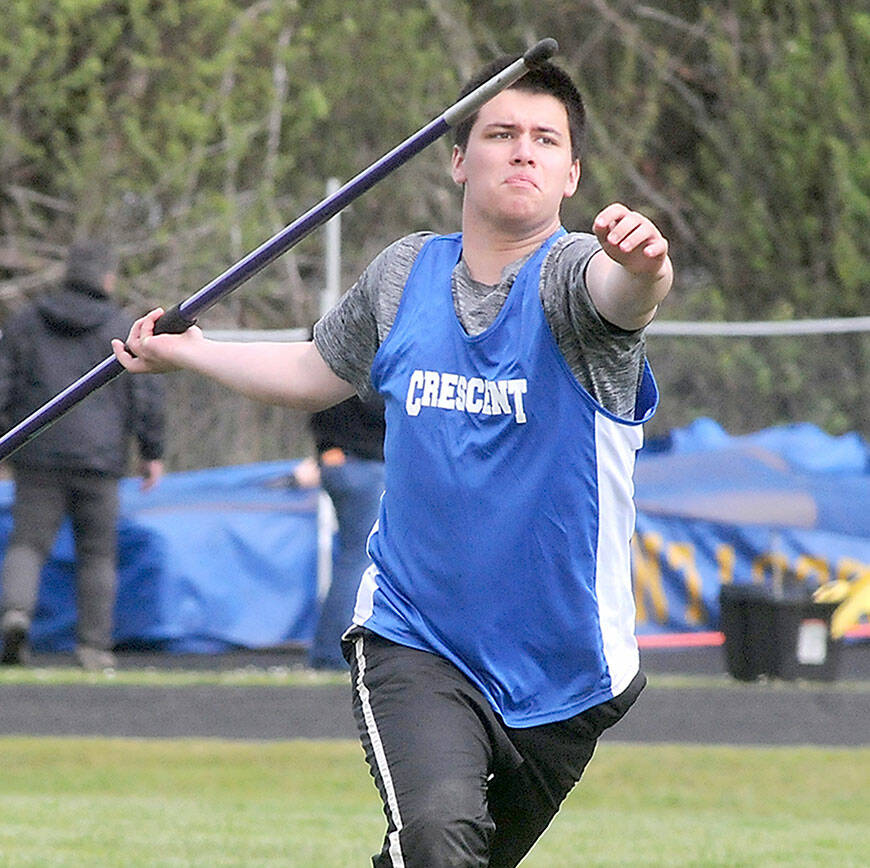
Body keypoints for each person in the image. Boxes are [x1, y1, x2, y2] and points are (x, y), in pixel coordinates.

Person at [112, 54, 672, 867]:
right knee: (439, 839)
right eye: (501, 133)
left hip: (563, 669)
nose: (523, 151)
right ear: (457, 157)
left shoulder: (576, 279)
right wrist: (194, 354)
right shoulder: (403, 273)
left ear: (572, 173)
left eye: (545, 140)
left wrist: (646, 268)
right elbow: (315, 373)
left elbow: (625, 298)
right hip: (416, 634)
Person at [0, 240, 165, 671]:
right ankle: (94, 649)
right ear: (107, 278)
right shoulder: (120, 326)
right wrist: (151, 450)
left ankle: (15, 617)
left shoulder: (26, 322)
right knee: (98, 554)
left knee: (27, 544)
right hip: (100, 460)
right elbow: (145, 392)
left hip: (37, 454)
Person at [306, 392, 386, 670]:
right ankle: (332, 652)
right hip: (361, 461)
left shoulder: (327, 352)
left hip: (344, 459)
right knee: (360, 559)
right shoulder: (365, 354)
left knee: (353, 557)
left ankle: (328, 650)